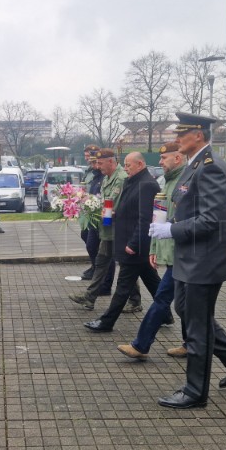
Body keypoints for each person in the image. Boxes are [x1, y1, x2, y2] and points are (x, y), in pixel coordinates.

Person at [150, 112, 226, 409]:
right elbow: (188, 206)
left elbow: (210, 219)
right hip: (190, 255)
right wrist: (169, 222)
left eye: (182, 133)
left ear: (198, 135)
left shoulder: (211, 168)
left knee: (196, 327)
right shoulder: (194, 165)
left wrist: (171, 229)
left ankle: (195, 392)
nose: (177, 138)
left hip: (205, 260)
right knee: (184, 309)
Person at [117, 142, 185, 359]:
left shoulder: (186, 181)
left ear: (178, 158)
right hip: (174, 253)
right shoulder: (167, 182)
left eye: (165, 159)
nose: (161, 162)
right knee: (174, 302)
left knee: (179, 304)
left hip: (186, 254)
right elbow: (159, 218)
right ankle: (146, 345)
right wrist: (154, 247)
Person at [83, 152, 160, 332]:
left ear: (140, 164)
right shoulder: (131, 181)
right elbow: (128, 208)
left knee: (123, 286)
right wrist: (115, 214)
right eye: (124, 165)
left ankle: (106, 322)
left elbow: (145, 219)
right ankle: (166, 314)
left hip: (135, 244)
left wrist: (133, 244)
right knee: (153, 283)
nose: (125, 168)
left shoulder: (147, 184)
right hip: (129, 240)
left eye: (128, 165)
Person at [69, 148, 140, 311]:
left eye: (100, 163)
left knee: (126, 265)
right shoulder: (108, 178)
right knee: (101, 263)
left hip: (121, 230)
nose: (98, 166)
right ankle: (90, 297)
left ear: (111, 161)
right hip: (108, 230)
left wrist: (96, 206)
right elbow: (103, 200)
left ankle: (135, 301)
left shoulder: (121, 178)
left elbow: (119, 203)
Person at [79, 145, 102, 280]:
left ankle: (97, 270)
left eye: (92, 159)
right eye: (87, 157)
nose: (90, 161)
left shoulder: (101, 174)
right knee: (86, 238)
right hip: (88, 209)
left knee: (96, 246)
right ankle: (95, 267)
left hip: (98, 213)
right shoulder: (89, 172)